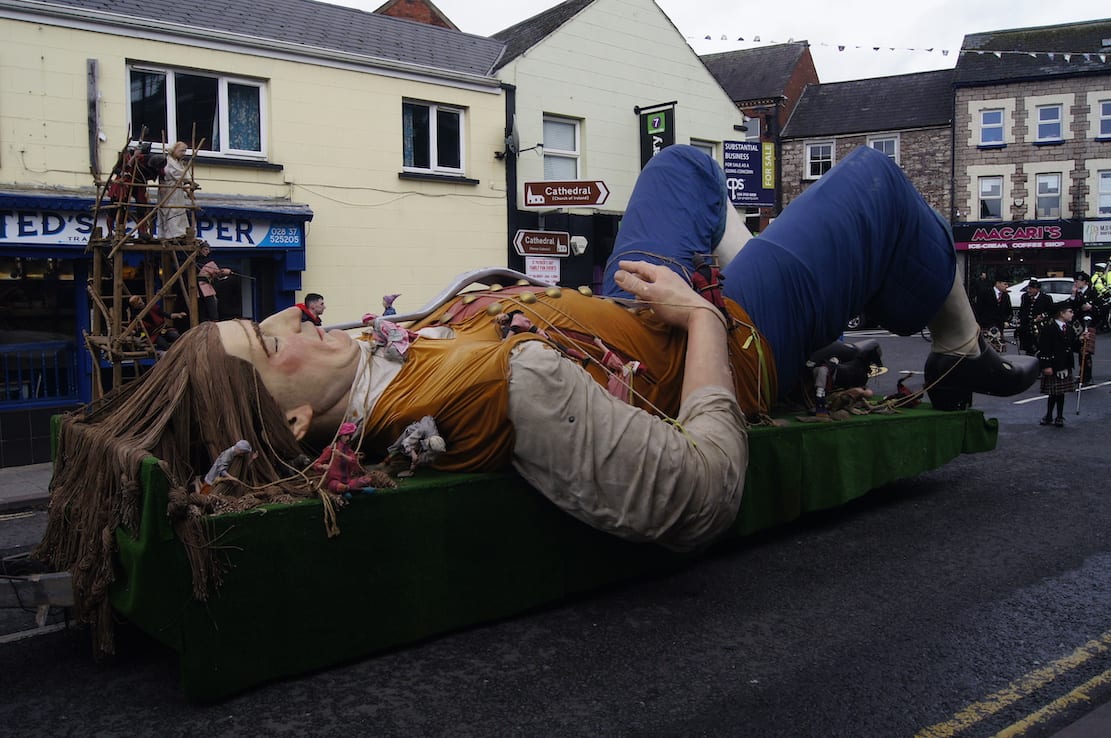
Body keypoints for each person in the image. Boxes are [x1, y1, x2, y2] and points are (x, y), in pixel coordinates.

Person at [37, 144, 1040, 655]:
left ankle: (785, 263)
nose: (299, 318)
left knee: (683, 165)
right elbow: (700, 492)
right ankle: (946, 342)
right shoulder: (493, 395)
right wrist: (698, 319)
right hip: (727, 344)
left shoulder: (391, 370)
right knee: (871, 182)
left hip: (616, 307)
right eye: (270, 342)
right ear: (296, 426)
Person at [1036, 303, 1082, 427]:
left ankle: (1060, 416)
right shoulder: (1049, 329)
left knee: (1061, 393)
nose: (1072, 314)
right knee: (1053, 393)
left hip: (1065, 364)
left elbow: (1074, 346)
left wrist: (1082, 340)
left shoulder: (1069, 328)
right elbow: (1044, 349)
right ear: (1062, 313)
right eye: (1070, 311)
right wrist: (1046, 365)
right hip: (1054, 364)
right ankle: (1049, 415)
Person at [156, 141, 193, 242]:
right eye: (181, 150)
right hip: (169, 188)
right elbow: (172, 173)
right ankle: (171, 233)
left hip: (177, 190)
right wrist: (186, 179)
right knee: (170, 209)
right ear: (175, 150)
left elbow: (183, 175)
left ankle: (179, 232)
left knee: (179, 210)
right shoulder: (168, 161)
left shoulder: (179, 162)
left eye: (185, 151)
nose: (183, 153)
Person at [1016, 279, 1053, 355]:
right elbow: (1022, 310)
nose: (1028, 290)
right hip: (1026, 328)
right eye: (1028, 288)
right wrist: (1019, 320)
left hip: (1039, 328)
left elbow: (1051, 311)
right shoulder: (1024, 297)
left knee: (1040, 349)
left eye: (1031, 289)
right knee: (1028, 350)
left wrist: (1042, 316)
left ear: (1037, 289)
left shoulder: (1046, 298)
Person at [196, 243, 230, 321]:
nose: (207, 251)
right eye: (205, 249)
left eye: (208, 250)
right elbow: (218, 273)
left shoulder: (207, 262)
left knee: (209, 306)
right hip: (200, 288)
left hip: (203, 287)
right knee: (208, 306)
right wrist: (224, 271)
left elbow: (217, 274)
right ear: (200, 250)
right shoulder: (199, 261)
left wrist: (223, 272)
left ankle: (211, 320)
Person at [972, 273, 1010, 341]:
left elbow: (1008, 311)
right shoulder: (985, 292)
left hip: (999, 327)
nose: (1007, 286)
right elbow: (978, 309)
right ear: (998, 283)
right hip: (986, 325)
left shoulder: (1006, 296)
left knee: (998, 349)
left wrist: (1006, 321)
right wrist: (980, 323)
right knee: (986, 349)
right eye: (1005, 284)